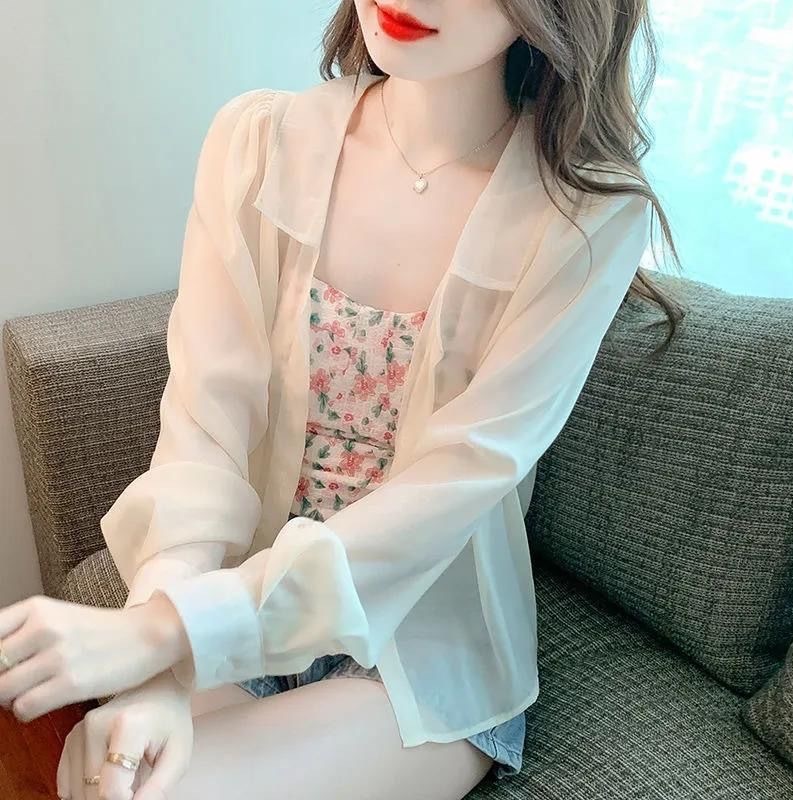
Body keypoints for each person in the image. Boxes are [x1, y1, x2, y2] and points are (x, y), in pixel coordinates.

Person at [0, 1, 684, 798]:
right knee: (101, 776)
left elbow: (452, 489)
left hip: (418, 641)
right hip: (237, 595)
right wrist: (155, 668)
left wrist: (166, 632)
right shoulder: (256, 144)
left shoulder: (586, 218)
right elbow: (203, 434)